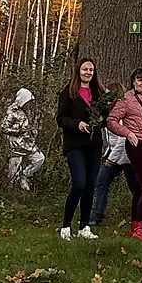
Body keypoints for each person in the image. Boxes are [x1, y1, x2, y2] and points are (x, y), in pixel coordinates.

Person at [106, 67, 142, 240]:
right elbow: (111, 121)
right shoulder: (126, 99)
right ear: (133, 82)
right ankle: (140, 225)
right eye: (139, 80)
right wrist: (127, 133)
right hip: (136, 143)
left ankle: (135, 226)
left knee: (141, 186)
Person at [56, 56, 104, 239]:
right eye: (85, 69)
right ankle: (66, 226)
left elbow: (107, 116)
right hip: (75, 145)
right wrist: (77, 124)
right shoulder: (68, 93)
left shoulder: (98, 93)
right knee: (80, 184)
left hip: (94, 144)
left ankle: (84, 227)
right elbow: (61, 119)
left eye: (91, 70)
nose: (88, 73)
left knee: (91, 185)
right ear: (78, 71)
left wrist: (102, 119)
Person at [89, 101, 137, 230]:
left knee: (134, 186)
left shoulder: (121, 115)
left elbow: (123, 139)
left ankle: (140, 216)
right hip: (113, 154)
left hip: (126, 156)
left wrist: (111, 159)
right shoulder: (107, 115)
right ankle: (96, 216)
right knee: (101, 181)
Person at [0, 87, 45, 190]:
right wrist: (18, 132)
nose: (28, 104)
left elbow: (24, 126)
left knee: (39, 158)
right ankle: (12, 195)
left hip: (27, 144)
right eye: (27, 101)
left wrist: (31, 131)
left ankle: (25, 175)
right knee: (12, 176)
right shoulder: (12, 111)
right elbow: (4, 128)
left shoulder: (24, 111)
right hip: (15, 147)